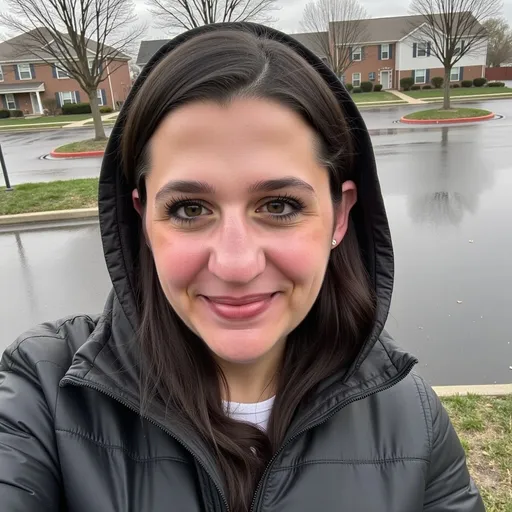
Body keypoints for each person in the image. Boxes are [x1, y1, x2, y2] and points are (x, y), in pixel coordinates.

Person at [0, 23, 484, 512]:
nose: (235, 264)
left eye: (279, 206)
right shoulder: (45, 389)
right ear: (142, 219)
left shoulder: (411, 419)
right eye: (190, 209)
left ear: (339, 215)